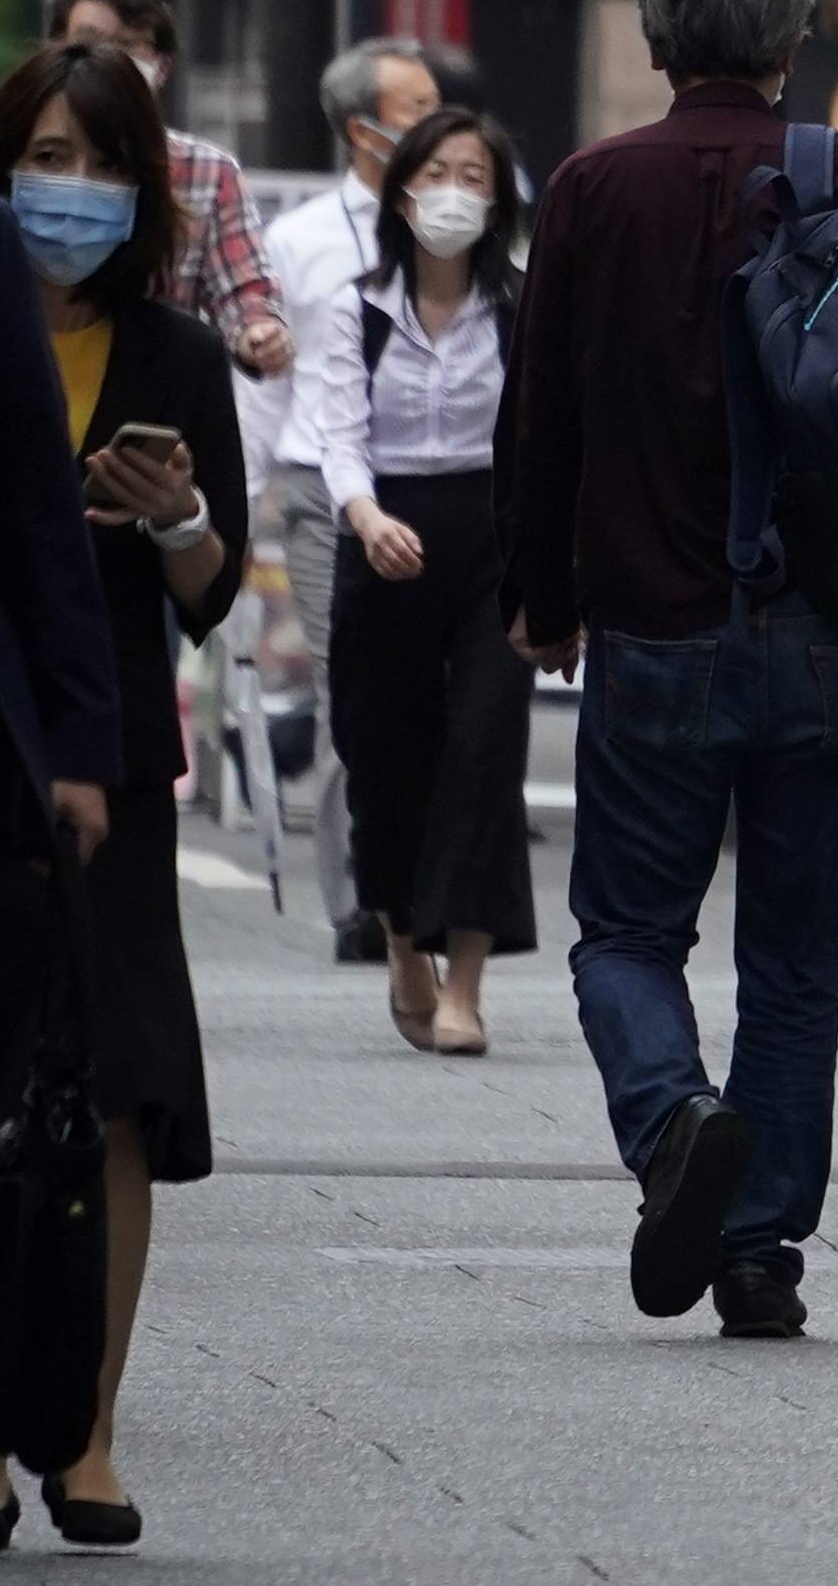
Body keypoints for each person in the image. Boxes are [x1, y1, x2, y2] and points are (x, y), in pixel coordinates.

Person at [502, 0, 838, 1344]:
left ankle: (671, 1117)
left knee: (627, 930)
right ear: (792, 37)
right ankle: (763, 1245)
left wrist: (542, 592)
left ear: (654, 40)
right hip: (831, 624)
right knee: (788, 951)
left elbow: (542, 412)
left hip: (654, 620)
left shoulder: (591, 187)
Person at [0, 43, 252, 1544]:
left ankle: (86, 1426)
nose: (66, 188)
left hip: (117, 759)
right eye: (44, 153)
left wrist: (181, 516)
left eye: (97, 160)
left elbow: (209, 595)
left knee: (121, 1090)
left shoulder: (174, 352)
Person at [298, 107, 541, 1059]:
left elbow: (540, 439)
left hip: (492, 540)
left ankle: (466, 985)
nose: (454, 192)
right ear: (402, 192)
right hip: (384, 530)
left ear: (498, 195)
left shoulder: (521, 306)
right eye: (436, 172)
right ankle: (404, 936)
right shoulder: (354, 307)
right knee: (385, 751)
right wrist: (365, 518)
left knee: (485, 748)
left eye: (474, 175)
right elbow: (338, 434)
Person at [250, 35, 443, 961]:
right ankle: (362, 897)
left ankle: (427, 882)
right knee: (349, 687)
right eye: (414, 108)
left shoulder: (466, 224)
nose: (433, 120)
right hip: (325, 494)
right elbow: (266, 381)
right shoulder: (299, 241)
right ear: (361, 128)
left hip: (439, 485)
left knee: (438, 692)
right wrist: (243, 490)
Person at [47, 0, 289, 385]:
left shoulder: (206, 172)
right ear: (55, 50)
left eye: (126, 46)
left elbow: (241, 287)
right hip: (39, 379)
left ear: (160, 68)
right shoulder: (19, 153)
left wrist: (259, 332)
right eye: (88, 42)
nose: (106, 60)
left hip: (151, 394)